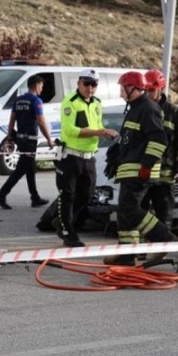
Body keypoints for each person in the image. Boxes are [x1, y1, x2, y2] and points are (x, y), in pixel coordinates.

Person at [103, 71, 177, 266]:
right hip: (129, 170)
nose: (120, 93)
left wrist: (146, 165)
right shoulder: (135, 108)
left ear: (134, 88)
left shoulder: (147, 108)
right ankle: (127, 256)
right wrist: (116, 156)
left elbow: (159, 140)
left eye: (122, 89)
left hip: (139, 171)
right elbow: (132, 141)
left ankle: (166, 240)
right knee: (125, 213)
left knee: (130, 210)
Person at [55, 69, 118, 248]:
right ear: (79, 83)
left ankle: (63, 223)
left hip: (89, 157)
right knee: (67, 195)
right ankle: (68, 231)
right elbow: (70, 130)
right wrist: (99, 132)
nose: (90, 88)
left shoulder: (97, 103)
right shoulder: (71, 102)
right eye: (87, 84)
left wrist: (105, 131)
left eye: (94, 84)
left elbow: (97, 125)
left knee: (86, 195)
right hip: (71, 156)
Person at [140, 69, 178, 261]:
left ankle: (161, 248)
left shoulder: (174, 113)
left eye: (150, 91)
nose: (147, 95)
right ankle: (139, 249)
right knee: (141, 211)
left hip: (165, 173)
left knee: (164, 212)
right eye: (144, 91)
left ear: (160, 90)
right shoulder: (141, 109)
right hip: (144, 171)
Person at [0, 74, 53, 210]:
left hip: (20, 138)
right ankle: (1, 195)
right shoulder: (36, 101)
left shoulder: (18, 100)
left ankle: (35, 197)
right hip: (30, 141)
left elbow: (12, 120)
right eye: (42, 87)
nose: (42, 90)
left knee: (30, 169)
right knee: (20, 170)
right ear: (37, 85)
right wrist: (49, 139)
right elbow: (41, 121)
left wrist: (9, 138)